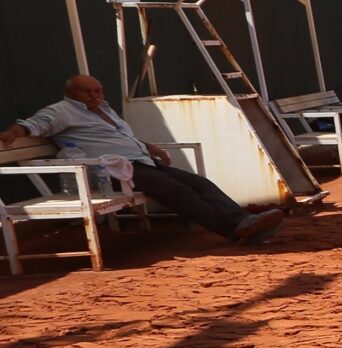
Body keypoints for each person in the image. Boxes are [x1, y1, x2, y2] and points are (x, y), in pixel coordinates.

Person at [1, 75, 285, 245]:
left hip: (139, 160)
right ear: (70, 93)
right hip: (112, 169)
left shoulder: (106, 109)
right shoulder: (62, 111)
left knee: (199, 182)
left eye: (98, 90)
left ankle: (244, 219)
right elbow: (35, 125)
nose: (94, 95)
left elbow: (123, 135)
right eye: (86, 91)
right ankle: (235, 232)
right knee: (177, 191)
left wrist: (151, 147)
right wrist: (13, 133)